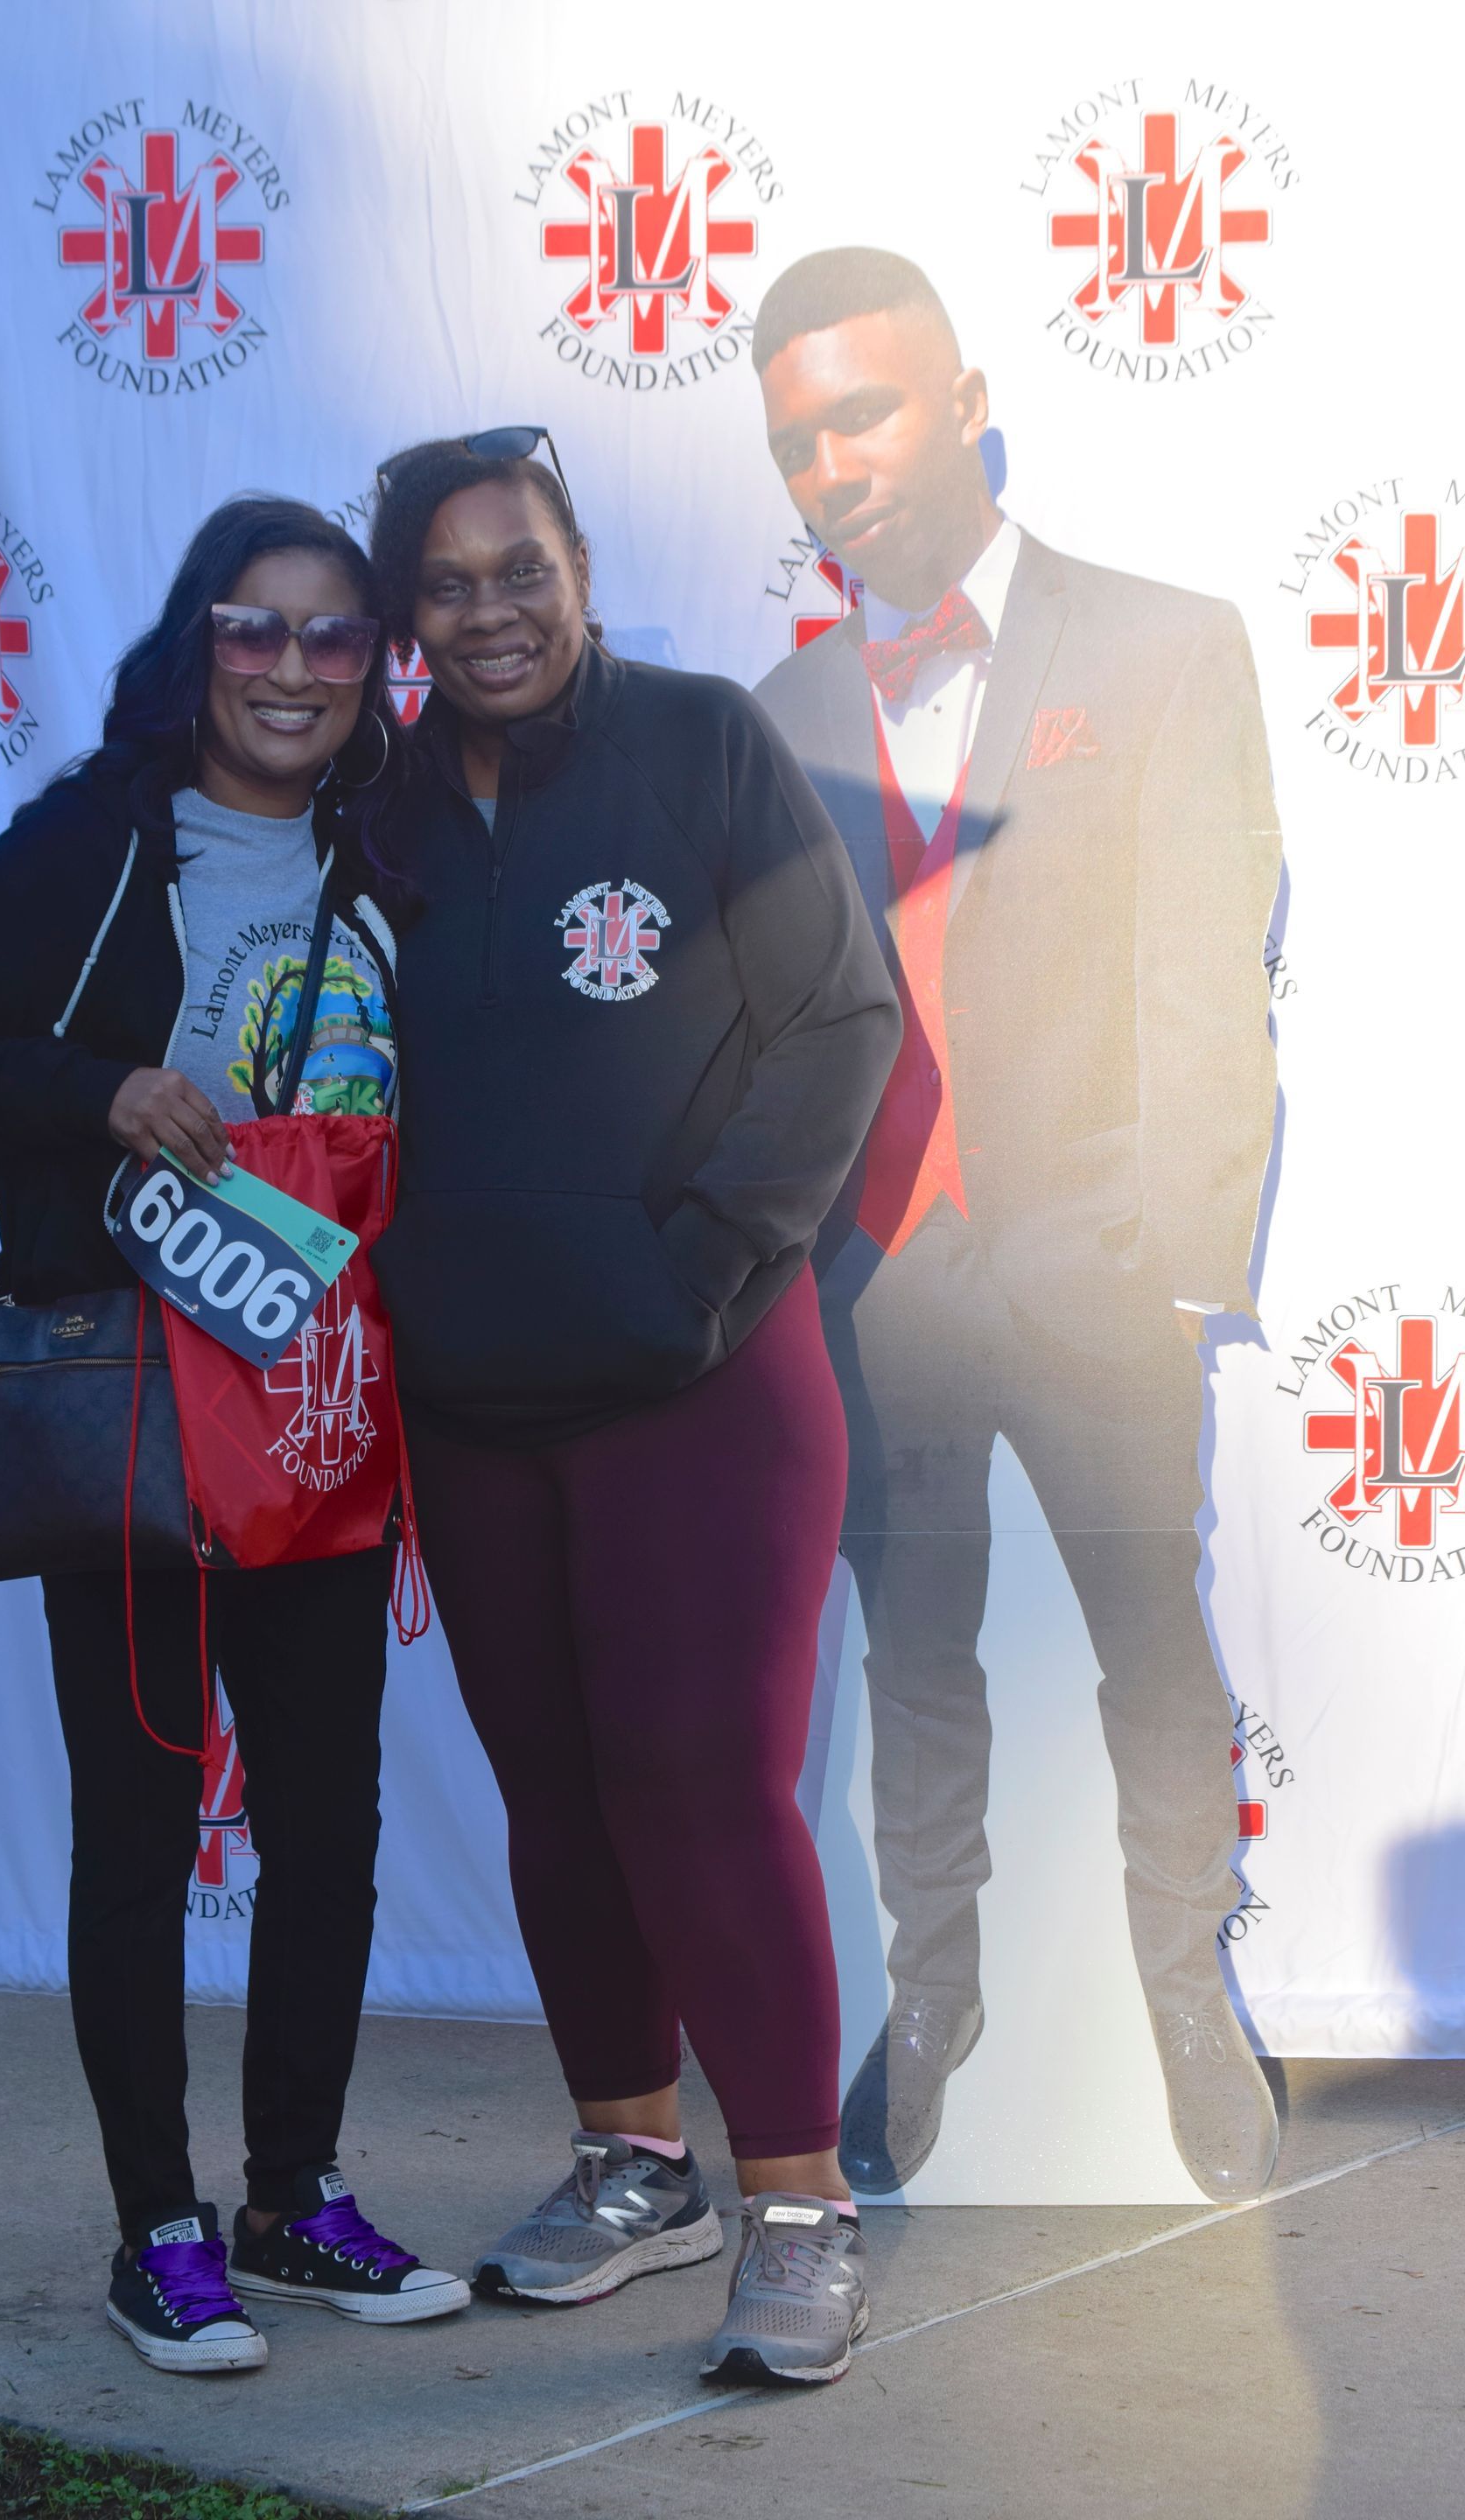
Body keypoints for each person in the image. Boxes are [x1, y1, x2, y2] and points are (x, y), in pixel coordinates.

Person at [0, 497, 469, 2374]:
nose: (292, 668)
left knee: (329, 1829)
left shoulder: (397, 854)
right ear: (197, 644)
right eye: (253, 629)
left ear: (375, 668)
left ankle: (294, 2200)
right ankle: (158, 2231)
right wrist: (102, 1091)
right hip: (134, 1415)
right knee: (138, 1835)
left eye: (333, 635)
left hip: (326, 1415)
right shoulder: (92, 841)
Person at [366, 429, 901, 2387]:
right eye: (445, 583)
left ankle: (799, 2210)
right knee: (559, 1793)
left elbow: (841, 1017)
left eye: (521, 568)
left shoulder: (701, 742)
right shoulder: (374, 807)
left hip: (704, 1376)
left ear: (579, 569)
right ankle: (631, 2164)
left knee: (701, 1782)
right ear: (403, 616)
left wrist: (697, 1271)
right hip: (473, 1400)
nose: (490, 612)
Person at [747, 248, 1283, 2201]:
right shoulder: (776, 714)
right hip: (878, 1288)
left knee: (1153, 1647)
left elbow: (1206, 971)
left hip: (1094, 1276)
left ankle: (1186, 2000)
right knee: (918, 1673)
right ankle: (935, 2007)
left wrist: (1179, 1261)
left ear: (968, 402)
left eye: (866, 413)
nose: (835, 465)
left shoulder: (1163, 644)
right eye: (799, 442)